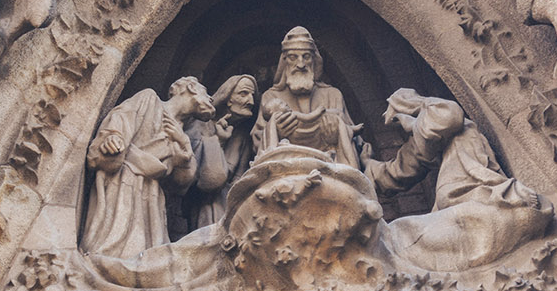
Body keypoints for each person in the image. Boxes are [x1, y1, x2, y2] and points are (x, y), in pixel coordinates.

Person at [369, 88, 552, 269]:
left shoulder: (454, 131)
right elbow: (445, 118)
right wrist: (407, 106)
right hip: (463, 196)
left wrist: (407, 108)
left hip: (467, 194)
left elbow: (448, 117)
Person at [83, 77, 214, 258]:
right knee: (111, 245)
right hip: (123, 181)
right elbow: (121, 118)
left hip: (152, 196)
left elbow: (180, 185)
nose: (211, 99)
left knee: (145, 254)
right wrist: (114, 137)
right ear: (191, 87)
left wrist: (184, 146)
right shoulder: (149, 99)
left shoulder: (181, 135)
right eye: (206, 92)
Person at [252, 26, 362, 168]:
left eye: (306, 57)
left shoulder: (332, 94)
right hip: (287, 166)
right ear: (285, 61)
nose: (301, 64)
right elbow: (258, 140)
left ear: (314, 60)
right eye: (293, 57)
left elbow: (353, 139)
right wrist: (276, 131)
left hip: (329, 163)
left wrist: (335, 136)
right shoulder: (271, 96)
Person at [183, 73, 258, 231]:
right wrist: (219, 141)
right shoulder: (201, 125)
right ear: (228, 97)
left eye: (252, 95)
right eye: (243, 94)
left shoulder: (242, 134)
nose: (250, 101)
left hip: (233, 205)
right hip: (206, 204)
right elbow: (193, 175)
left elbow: (240, 177)